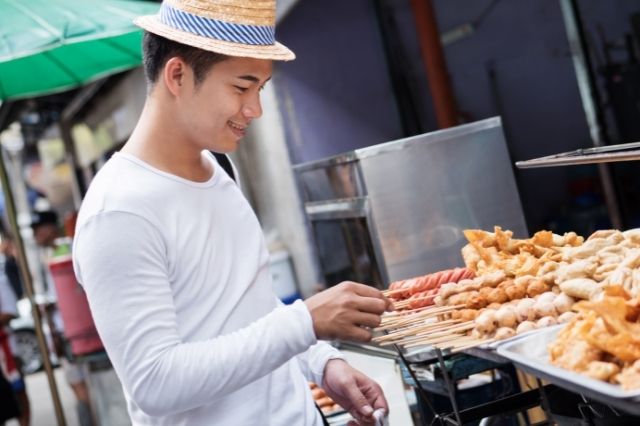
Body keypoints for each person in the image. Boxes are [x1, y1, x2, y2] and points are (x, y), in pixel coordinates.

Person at [72, 1, 394, 425]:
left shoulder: (220, 166)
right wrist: (305, 323)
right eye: (242, 88)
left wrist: (322, 363)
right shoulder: (119, 212)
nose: (254, 109)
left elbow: (249, 308)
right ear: (178, 75)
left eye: (260, 89)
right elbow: (155, 382)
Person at [30, 211, 94, 426]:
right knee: (76, 383)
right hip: (63, 330)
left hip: (78, 329)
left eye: (39, 230)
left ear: (50, 227)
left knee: (84, 385)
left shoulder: (66, 248)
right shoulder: (47, 255)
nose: (36, 235)